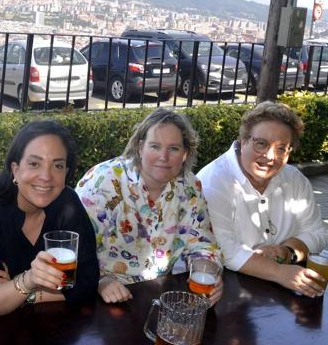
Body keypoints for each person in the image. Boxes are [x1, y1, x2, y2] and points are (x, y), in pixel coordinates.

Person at [75, 108, 223, 305]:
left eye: (174, 148)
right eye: (155, 146)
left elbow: (202, 242)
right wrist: (101, 280)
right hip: (103, 297)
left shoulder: (190, 187)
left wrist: (208, 271)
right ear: (140, 147)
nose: (164, 156)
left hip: (158, 295)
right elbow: (77, 247)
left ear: (185, 153)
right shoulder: (103, 183)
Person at [0, 120, 99, 318]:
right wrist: (29, 280)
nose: (46, 176)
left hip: (53, 331)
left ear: (66, 173)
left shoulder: (67, 203)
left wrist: (23, 292)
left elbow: (88, 282)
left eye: (58, 165)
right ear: (15, 169)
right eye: (34, 164)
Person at [197, 101, 328, 298]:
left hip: (283, 295)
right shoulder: (213, 181)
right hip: (226, 294)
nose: (269, 156)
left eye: (281, 148)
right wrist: (281, 273)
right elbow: (225, 250)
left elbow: (318, 233)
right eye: (261, 143)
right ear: (243, 141)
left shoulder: (294, 179)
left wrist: (287, 251)